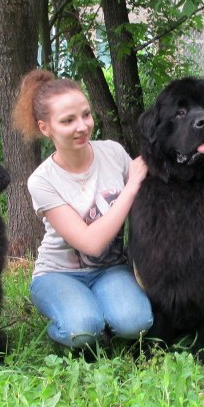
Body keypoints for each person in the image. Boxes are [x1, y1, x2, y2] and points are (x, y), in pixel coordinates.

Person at [12, 69, 153, 352]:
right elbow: (91, 243)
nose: (82, 126)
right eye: (68, 120)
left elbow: (149, 199)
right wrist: (131, 185)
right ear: (45, 127)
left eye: (86, 115)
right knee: (82, 330)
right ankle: (66, 327)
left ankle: (101, 313)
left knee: (136, 323)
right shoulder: (42, 180)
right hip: (58, 274)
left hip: (111, 270)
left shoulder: (112, 152)